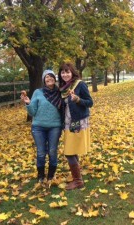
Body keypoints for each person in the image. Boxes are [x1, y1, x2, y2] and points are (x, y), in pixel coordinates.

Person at [21, 69, 62, 184]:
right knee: (41, 152)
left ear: (55, 78)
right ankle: (40, 175)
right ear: (44, 80)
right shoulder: (38, 92)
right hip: (38, 127)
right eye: (46, 77)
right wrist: (28, 103)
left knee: (53, 151)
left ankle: (51, 175)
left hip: (55, 126)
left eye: (51, 76)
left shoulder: (60, 92)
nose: (49, 79)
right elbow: (32, 112)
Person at [58, 62, 93, 190]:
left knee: (69, 152)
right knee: (72, 150)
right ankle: (77, 175)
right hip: (68, 123)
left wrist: (78, 99)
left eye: (67, 72)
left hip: (78, 121)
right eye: (62, 72)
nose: (65, 74)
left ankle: (78, 181)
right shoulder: (63, 88)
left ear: (72, 72)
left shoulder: (80, 84)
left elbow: (90, 102)